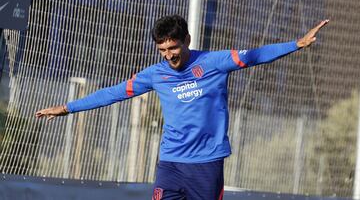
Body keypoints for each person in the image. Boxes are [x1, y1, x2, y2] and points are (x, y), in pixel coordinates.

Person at [36, 15, 329, 200]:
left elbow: (254, 56)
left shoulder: (214, 62)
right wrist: (68, 107)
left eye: (173, 48)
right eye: (162, 50)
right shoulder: (155, 74)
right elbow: (114, 93)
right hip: (171, 163)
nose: (169, 55)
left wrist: (297, 44)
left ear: (187, 40)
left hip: (206, 164)